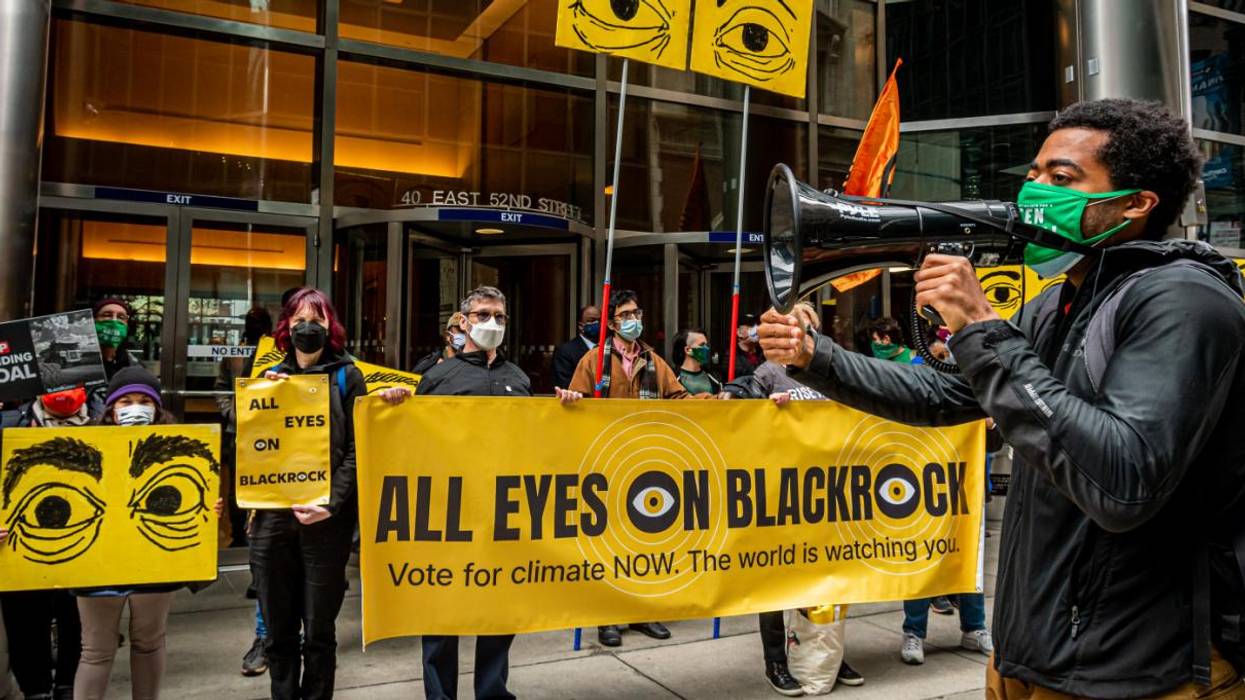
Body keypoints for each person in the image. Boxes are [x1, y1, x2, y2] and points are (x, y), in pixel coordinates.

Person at [759, 98, 1245, 698]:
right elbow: (943, 394)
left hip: (1135, 671)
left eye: (1062, 178)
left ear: (1137, 203)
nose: (1034, 191)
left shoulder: (1184, 301)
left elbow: (1122, 481)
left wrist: (980, 326)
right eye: (1035, 174)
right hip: (1032, 656)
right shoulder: (1059, 300)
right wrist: (815, 357)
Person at [379, 286, 527, 700]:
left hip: (503, 513)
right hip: (450, 513)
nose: (491, 323)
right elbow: (411, 441)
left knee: (499, 610)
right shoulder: (439, 378)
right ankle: (440, 695)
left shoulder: (520, 379)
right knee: (441, 609)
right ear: (463, 322)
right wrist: (394, 407)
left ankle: (493, 691)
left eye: (499, 315)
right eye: (482, 315)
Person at [722, 302, 864, 693]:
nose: (800, 335)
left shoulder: (830, 371)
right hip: (779, 493)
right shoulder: (769, 372)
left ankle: (827, 654)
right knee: (774, 581)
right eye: (794, 328)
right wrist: (764, 409)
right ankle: (776, 662)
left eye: (807, 328)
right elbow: (736, 408)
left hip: (826, 492)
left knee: (828, 580)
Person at [75, 366, 224, 700]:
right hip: (98, 564)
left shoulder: (179, 452)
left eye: (144, 400)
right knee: (96, 649)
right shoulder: (82, 450)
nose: (135, 407)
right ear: (110, 410)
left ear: (157, 408)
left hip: (154, 561)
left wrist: (206, 511)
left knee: (149, 642)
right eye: (125, 401)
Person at [558, 289, 695, 647]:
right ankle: (607, 617)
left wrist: (721, 402)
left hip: (647, 460)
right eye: (626, 314)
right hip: (607, 462)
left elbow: (680, 399)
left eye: (637, 312)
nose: (634, 319)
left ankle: (642, 611)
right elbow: (577, 404)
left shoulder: (654, 360)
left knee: (645, 539)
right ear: (612, 322)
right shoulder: (594, 361)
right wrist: (572, 401)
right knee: (608, 542)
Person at [253, 288, 367, 700]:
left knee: (319, 631)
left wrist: (330, 503)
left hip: (325, 524)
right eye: (300, 319)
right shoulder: (269, 380)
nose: (308, 327)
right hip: (273, 521)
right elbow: (251, 446)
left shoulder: (347, 376)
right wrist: (261, 401)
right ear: (286, 326)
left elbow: (358, 449)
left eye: (316, 320)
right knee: (279, 630)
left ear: (329, 327)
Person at [0, 387, 99, 700]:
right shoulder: (9, 425)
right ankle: (36, 688)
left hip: (85, 546)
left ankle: (69, 684)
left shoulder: (105, 424)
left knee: (79, 617)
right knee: (25, 619)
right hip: (22, 549)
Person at [551, 305, 601, 391]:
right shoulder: (565, 351)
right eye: (591, 320)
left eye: (599, 320)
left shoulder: (608, 349)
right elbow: (565, 386)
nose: (596, 323)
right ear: (581, 325)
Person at [92, 298, 135, 379]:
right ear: (94, 321)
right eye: (107, 315)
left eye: (121, 317)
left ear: (127, 325)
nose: (114, 321)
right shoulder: (79, 363)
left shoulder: (133, 366)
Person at [672, 328, 722, 396]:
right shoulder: (673, 380)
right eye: (702, 345)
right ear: (688, 350)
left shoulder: (715, 378)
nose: (707, 348)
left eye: (706, 345)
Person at [732, 312, 763, 378]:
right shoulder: (731, 356)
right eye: (751, 326)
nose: (756, 328)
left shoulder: (763, 352)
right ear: (739, 333)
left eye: (757, 324)